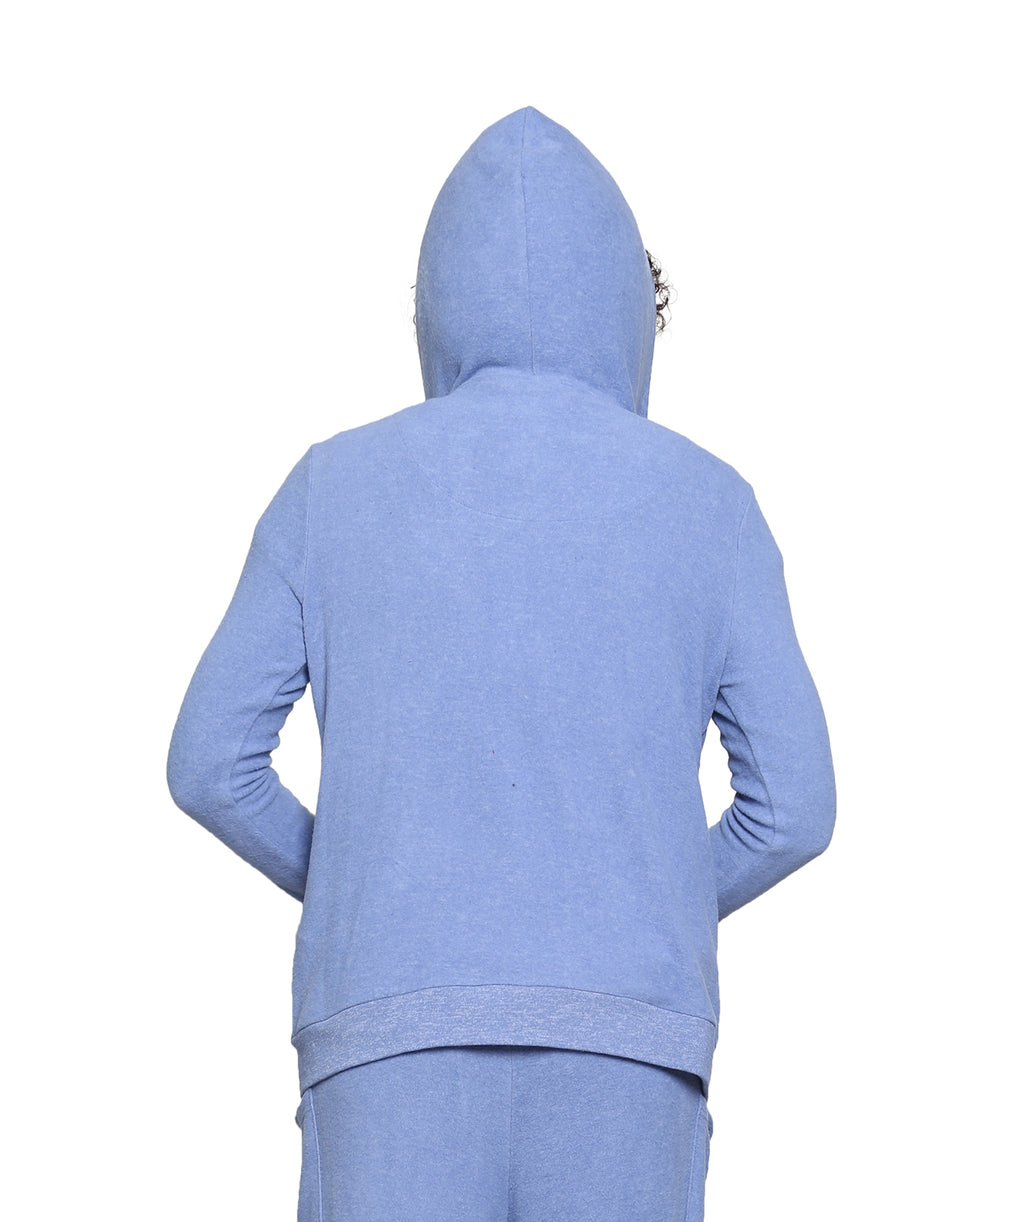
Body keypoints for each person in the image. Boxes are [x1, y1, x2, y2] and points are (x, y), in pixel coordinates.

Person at [166, 105, 837, 1221]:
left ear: (436, 306)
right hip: (630, 1041)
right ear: (631, 307)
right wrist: (644, 892)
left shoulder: (329, 488)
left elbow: (209, 766)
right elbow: (794, 811)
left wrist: (369, 880)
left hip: (384, 1036)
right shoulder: (711, 504)